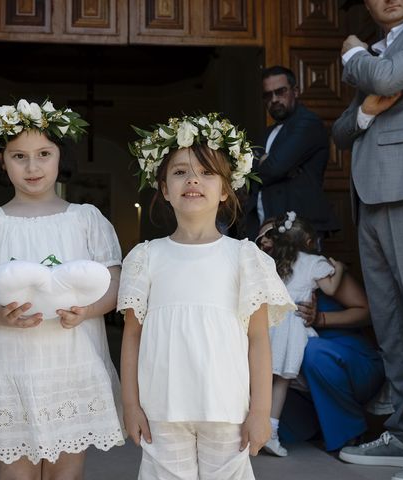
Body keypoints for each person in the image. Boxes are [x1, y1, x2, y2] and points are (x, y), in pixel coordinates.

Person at [0, 99, 125, 479]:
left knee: (67, 474)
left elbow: (113, 283)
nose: (32, 167)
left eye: (43, 154)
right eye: (19, 156)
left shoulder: (86, 220)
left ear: (60, 155)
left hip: (71, 365)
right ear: (2, 160)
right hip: (10, 365)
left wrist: (89, 310)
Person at [118, 112, 295, 479]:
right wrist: (130, 405)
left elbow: (259, 339)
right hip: (162, 409)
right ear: (164, 188)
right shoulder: (145, 257)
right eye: (180, 171)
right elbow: (132, 336)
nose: (193, 179)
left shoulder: (246, 258)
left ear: (226, 188)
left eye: (207, 172)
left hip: (227, 409)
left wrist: (260, 412)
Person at [331, 1, 403, 477]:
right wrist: (367, 112)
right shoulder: (379, 52)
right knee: (393, 331)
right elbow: (340, 130)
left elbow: (388, 78)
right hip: (369, 201)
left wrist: (353, 54)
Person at [256, 219, 386, 453]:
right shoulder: (270, 276)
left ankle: (350, 434)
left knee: (308, 350)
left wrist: (321, 319)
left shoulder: (316, 267)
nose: (264, 243)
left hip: (349, 361)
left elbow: (366, 311)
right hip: (301, 378)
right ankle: (306, 426)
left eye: (271, 235)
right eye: (260, 240)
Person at [261, 212, 344, 457]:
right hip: (292, 327)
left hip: (269, 324)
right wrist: (338, 268)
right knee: (282, 381)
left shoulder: (275, 263)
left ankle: (254, 427)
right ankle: (271, 432)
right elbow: (330, 287)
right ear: (309, 241)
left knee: (262, 379)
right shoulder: (313, 263)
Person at [241, 65, 338, 241]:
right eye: (268, 95)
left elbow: (275, 167)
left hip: (300, 228)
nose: (274, 99)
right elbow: (246, 171)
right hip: (264, 227)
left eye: (280, 92)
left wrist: (269, 163)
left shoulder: (307, 123)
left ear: (296, 91)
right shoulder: (267, 133)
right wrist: (267, 164)